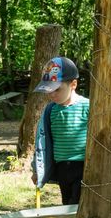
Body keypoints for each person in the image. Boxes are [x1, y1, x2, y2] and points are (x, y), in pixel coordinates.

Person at [31, 56, 90, 205]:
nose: (51, 94)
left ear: (73, 84)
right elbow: (42, 141)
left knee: (77, 205)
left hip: (84, 166)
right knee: (67, 204)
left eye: (56, 89)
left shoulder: (87, 106)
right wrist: (37, 169)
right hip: (62, 167)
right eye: (48, 90)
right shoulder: (51, 110)